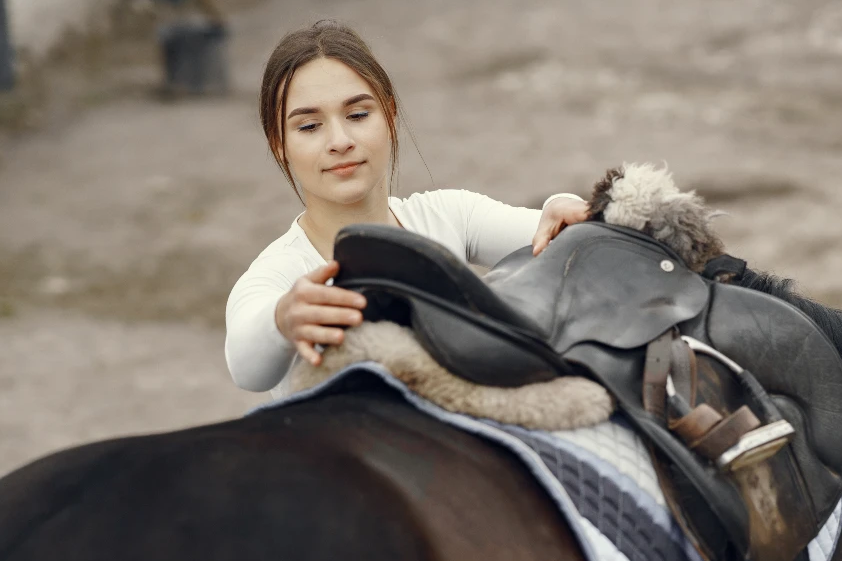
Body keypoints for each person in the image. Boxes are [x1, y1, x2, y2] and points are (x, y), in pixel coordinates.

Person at [226, 20, 589, 398]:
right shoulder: (280, 274)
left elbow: (557, 237)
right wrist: (283, 320)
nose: (340, 141)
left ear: (390, 115)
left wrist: (559, 208)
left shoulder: (450, 215)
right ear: (278, 142)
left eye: (358, 115)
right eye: (310, 125)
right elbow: (246, 366)